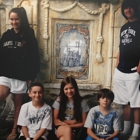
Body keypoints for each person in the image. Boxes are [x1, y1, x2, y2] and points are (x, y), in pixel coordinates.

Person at [0, 7, 40, 140]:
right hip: (5, 73)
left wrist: (31, 76)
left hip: (21, 75)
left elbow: (34, 57)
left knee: (18, 104)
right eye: (11, 19)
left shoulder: (28, 35)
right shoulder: (6, 35)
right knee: (2, 94)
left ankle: (14, 130)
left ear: (21, 19)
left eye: (16, 19)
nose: (14, 22)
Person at [113, 0, 140, 140]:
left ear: (136, 8)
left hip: (134, 71)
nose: (128, 10)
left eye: (130, 7)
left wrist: (139, 70)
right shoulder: (124, 27)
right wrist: (117, 63)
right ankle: (126, 130)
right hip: (121, 70)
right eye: (125, 8)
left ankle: (135, 134)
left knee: (136, 103)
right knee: (125, 103)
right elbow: (120, 47)